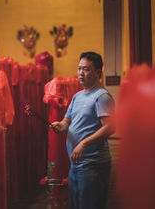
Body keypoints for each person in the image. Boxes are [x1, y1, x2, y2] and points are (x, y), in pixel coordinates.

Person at [50, 51, 115, 209]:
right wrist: (61, 125)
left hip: (93, 164)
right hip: (76, 164)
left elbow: (111, 126)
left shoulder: (102, 96)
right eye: (79, 68)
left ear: (98, 72)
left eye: (85, 69)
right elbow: (67, 121)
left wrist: (84, 143)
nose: (80, 73)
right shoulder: (77, 96)